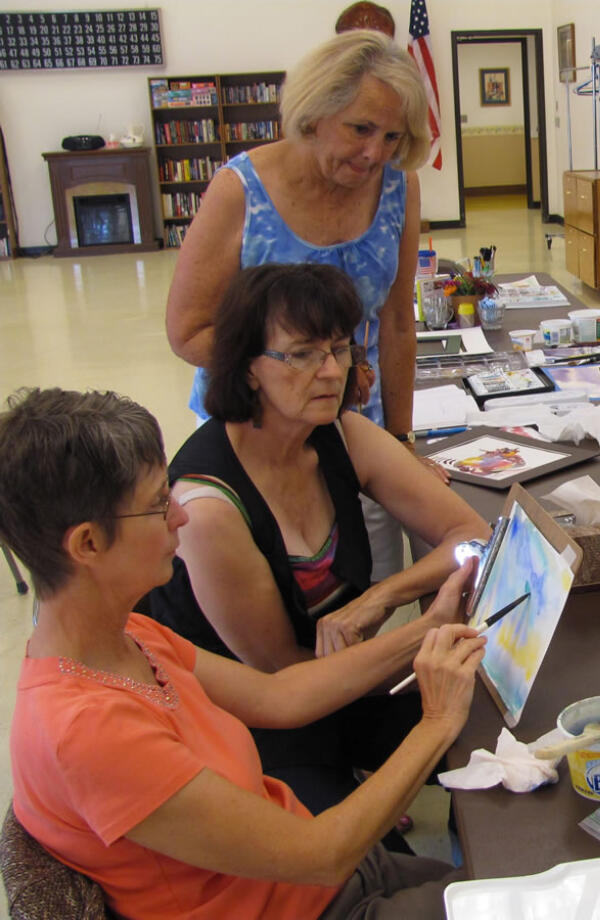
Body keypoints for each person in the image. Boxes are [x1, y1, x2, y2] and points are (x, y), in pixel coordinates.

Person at [0, 386, 485, 920]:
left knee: (517, 877)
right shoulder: (87, 732)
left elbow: (278, 696)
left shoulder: (123, 634)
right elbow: (321, 855)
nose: (181, 519)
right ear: (88, 544)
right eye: (159, 506)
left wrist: (429, 629)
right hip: (310, 898)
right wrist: (436, 722)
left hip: (322, 882)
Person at [151, 263, 489, 835]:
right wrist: (422, 633)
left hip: (340, 691)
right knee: (366, 876)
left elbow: (473, 534)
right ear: (249, 368)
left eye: (339, 348)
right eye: (302, 354)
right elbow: (284, 682)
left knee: (494, 727)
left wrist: (381, 597)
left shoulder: (340, 434)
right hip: (253, 727)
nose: (332, 371)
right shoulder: (210, 510)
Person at [164, 29, 442, 580]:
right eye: (361, 129)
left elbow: (395, 322)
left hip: (357, 426)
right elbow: (189, 330)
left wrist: (401, 443)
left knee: (368, 582)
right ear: (315, 112)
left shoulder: (397, 186)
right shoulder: (240, 189)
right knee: (280, 599)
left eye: (391, 136)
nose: (375, 153)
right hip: (260, 435)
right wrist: (292, 378)